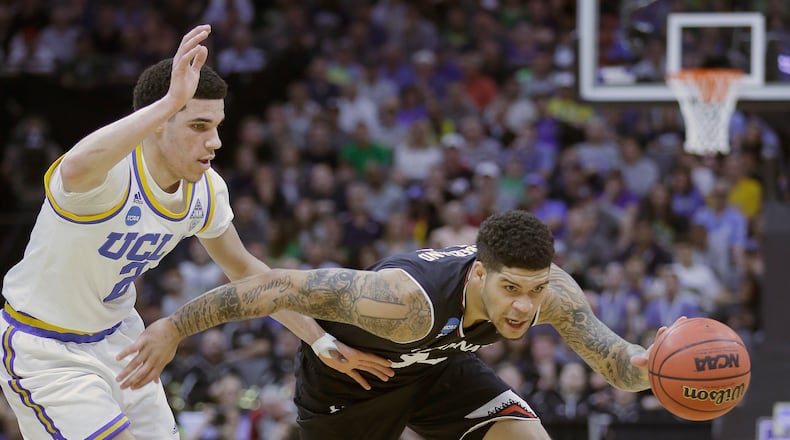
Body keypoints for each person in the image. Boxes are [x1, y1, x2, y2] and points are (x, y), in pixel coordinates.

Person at [0, 25, 391, 440]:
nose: (216, 141)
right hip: (46, 347)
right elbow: (74, 167)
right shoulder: (108, 175)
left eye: (217, 125)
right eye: (198, 126)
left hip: (122, 340)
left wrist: (318, 340)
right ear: (156, 122)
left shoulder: (206, 190)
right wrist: (170, 100)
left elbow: (246, 270)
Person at [118, 210, 679, 440]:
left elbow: (616, 364)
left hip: (437, 372)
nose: (522, 309)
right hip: (349, 387)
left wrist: (648, 367)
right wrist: (173, 326)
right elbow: (279, 287)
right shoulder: (402, 301)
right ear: (480, 274)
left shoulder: (547, 292)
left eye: (533, 291)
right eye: (510, 289)